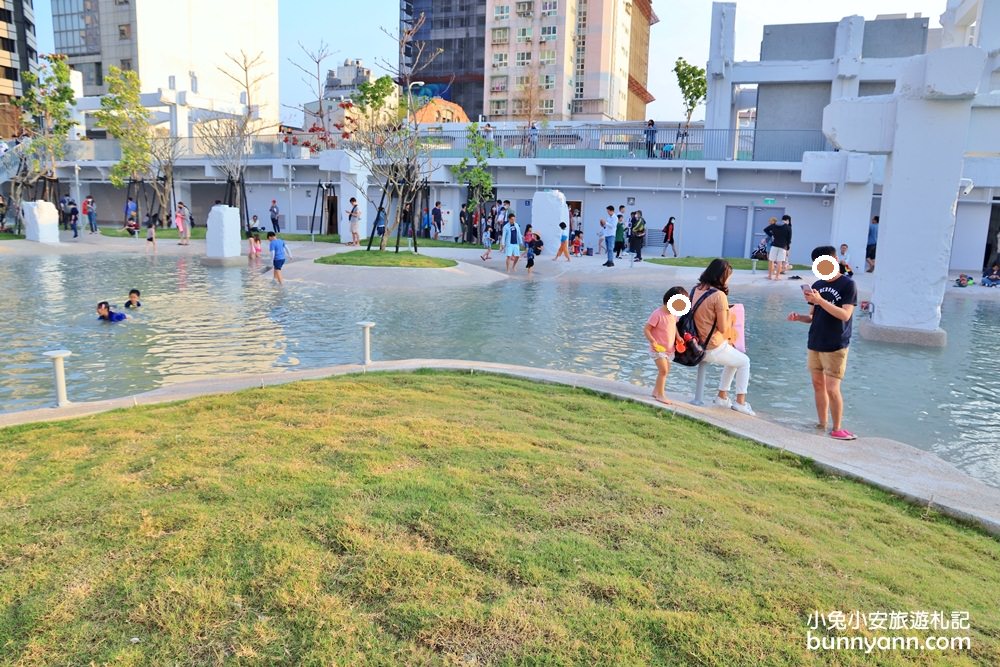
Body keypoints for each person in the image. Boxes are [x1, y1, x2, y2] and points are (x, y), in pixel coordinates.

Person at [787, 246, 858, 440]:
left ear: (835, 260)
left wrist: (820, 301)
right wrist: (799, 317)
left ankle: (837, 428)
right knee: (817, 384)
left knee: (832, 387)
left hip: (836, 343)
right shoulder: (818, 284)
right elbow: (812, 316)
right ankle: (821, 424)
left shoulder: (847, 285)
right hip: (815, 340)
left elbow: (845, 314)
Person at [691, 259, 754, 415]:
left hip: (694, 343)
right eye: (728, 276)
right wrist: (727, 311)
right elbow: (723, 327)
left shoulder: (695, 290)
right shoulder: (719, 296)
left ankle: (722, 396)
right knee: (745, 362)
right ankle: (740, 402)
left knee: (735, 358)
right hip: (710, 346)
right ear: (721, 277)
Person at [644, 286, 687, 405]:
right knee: (663, 370)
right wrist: (652, 341)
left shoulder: (673, 315)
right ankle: (661, 395)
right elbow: (646, 329)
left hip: (669, 350)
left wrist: (678, 337)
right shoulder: (657, 314)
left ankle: (656, 391)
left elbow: (673, 327)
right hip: (657, 349)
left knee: (666, 371)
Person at [763, 216, 791, 281]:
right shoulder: (788, 227)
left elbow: (765, 229)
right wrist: (787, 248)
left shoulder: (774, 225)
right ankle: (777, 277)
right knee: (779, 262)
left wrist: (771, 235)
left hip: (774, 245)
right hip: (783, 247)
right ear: (787, 220)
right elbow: (789, 239)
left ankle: (770, 276)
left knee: (771, 261)